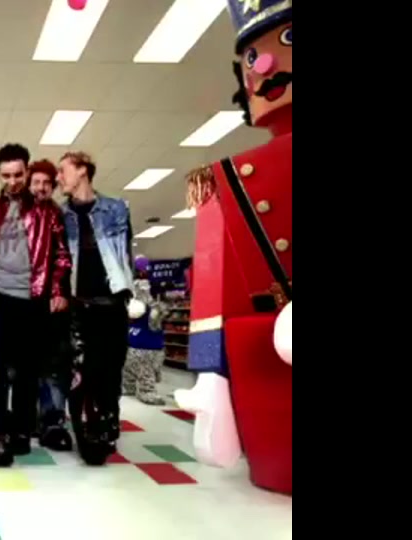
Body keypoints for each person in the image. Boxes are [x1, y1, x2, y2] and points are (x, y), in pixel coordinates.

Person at [174, 0, 292, 496]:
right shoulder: (223, 181)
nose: (267, 64)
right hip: (261, 360)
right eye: (251, 57)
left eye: (287, 41)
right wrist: (211, 373)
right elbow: (213, 283)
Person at [0, 143, 71, 467]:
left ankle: (22, 429)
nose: (13, 182)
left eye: (18, 175)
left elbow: (61, 255)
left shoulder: (48, 212)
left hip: (32, 298)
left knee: (27, 368)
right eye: (6, 175)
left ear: (27, 171)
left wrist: (58, 290)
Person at [57, 150, 135, 466]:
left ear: (82, 171)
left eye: (63, 170)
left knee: (110, 370)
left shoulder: (116, 208)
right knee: (80, 372)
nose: (59, 178)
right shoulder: (61, 215)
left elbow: (124, 254)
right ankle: (85, 431)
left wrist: (127, 291)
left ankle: (107, 425)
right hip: (78, 306)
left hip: (111, 304)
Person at [27, 160, 73, 452]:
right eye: (37, 182)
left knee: (54, 364)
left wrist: (58, 290)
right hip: (22, 301)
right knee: (23, 364)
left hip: (51, 302)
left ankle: (53, 421)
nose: (41, 188)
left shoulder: (58, 214)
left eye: (47, 183)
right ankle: (28, 418)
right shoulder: (17, 214)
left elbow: (63, 256)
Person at [123, 266, 168, 406]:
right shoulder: (135, 311)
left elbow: (157, 317)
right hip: (135, 347)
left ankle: (143, 390)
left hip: (145, 348)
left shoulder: (152, 311)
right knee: (132, 371)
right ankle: (132, 387)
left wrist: (149, 301)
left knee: (144, 371)